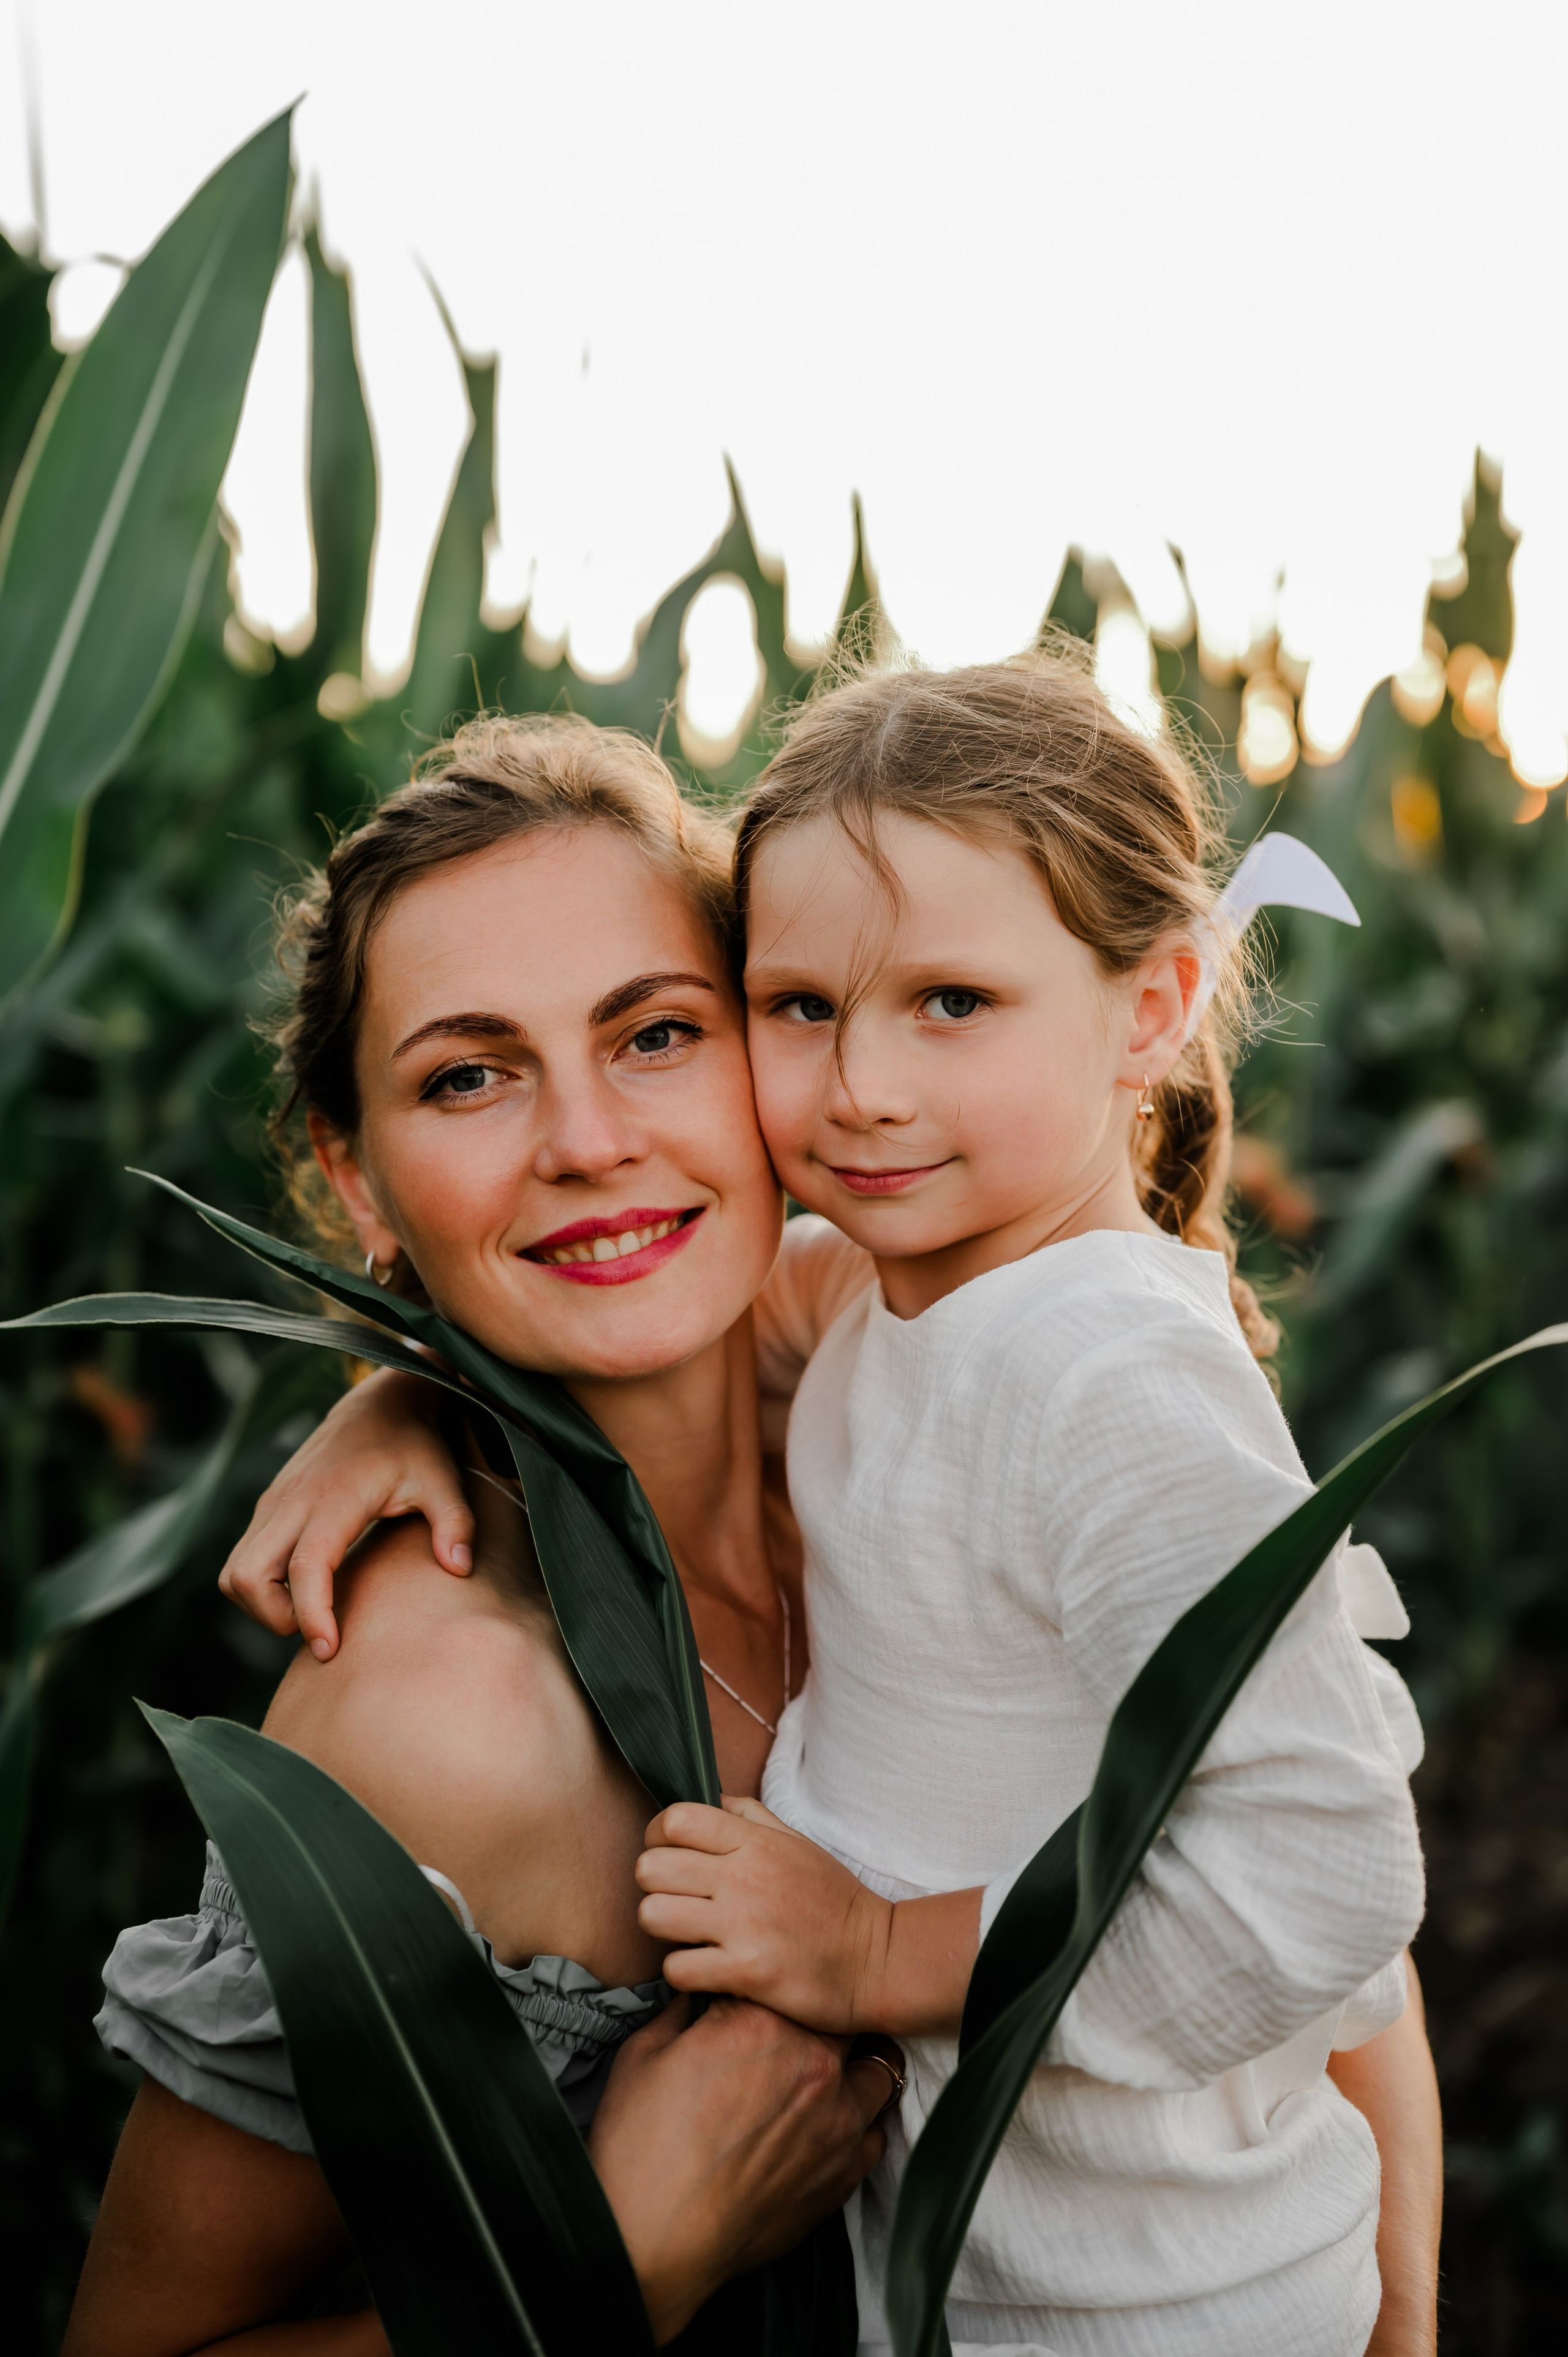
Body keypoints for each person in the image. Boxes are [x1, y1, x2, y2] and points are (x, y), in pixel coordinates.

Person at [213, 685, 1441, 2354]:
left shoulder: (1091, 1388)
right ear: (354, 1177)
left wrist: (875, 1947)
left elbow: (1325, 1889)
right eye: (800, 1005)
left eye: (655, 1034)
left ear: (1151, 1007)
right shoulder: (890, 1325)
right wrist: (401, 1388)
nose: (859, 1086)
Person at [69, 717, 898, 2353]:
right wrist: (621, 2261)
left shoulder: (910, 1457)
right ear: (358, 1178)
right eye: (468, 1076)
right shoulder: (451, 1720)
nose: (586, 1139)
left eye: (657, 1035)